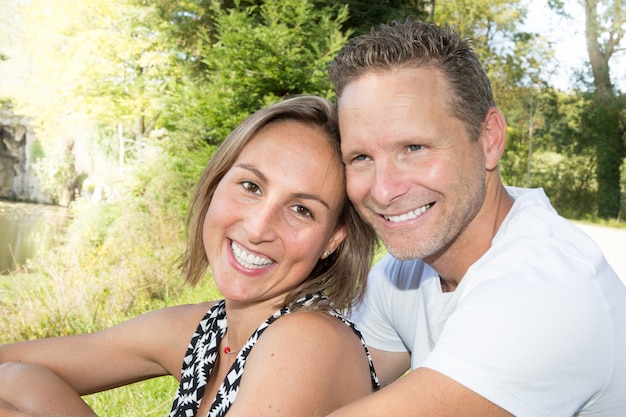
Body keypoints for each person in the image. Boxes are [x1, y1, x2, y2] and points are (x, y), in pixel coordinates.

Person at [0, 95, 380, 417]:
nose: (258, 229)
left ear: (333, 239)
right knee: (20, 380)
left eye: (301, 210)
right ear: (216, 183)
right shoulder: (208, 330)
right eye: (250, 186)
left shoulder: (308, 340)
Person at [326, 18, 626, 416]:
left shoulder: (545, 293)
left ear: (490, 139)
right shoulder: (405, 275)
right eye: (361, 157)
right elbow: (323, 380)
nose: (382, 191)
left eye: (415, 147)